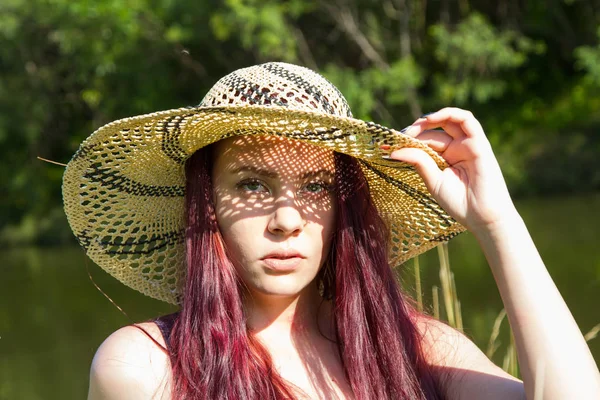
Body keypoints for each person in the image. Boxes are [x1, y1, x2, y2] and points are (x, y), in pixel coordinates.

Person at [62, 62, 600, 399]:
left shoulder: (416, 350)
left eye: (317, 188)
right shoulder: (147, 368)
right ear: (207, 206)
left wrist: (497, 223)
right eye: (251, 185)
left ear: (345, 209)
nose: (288, 220)